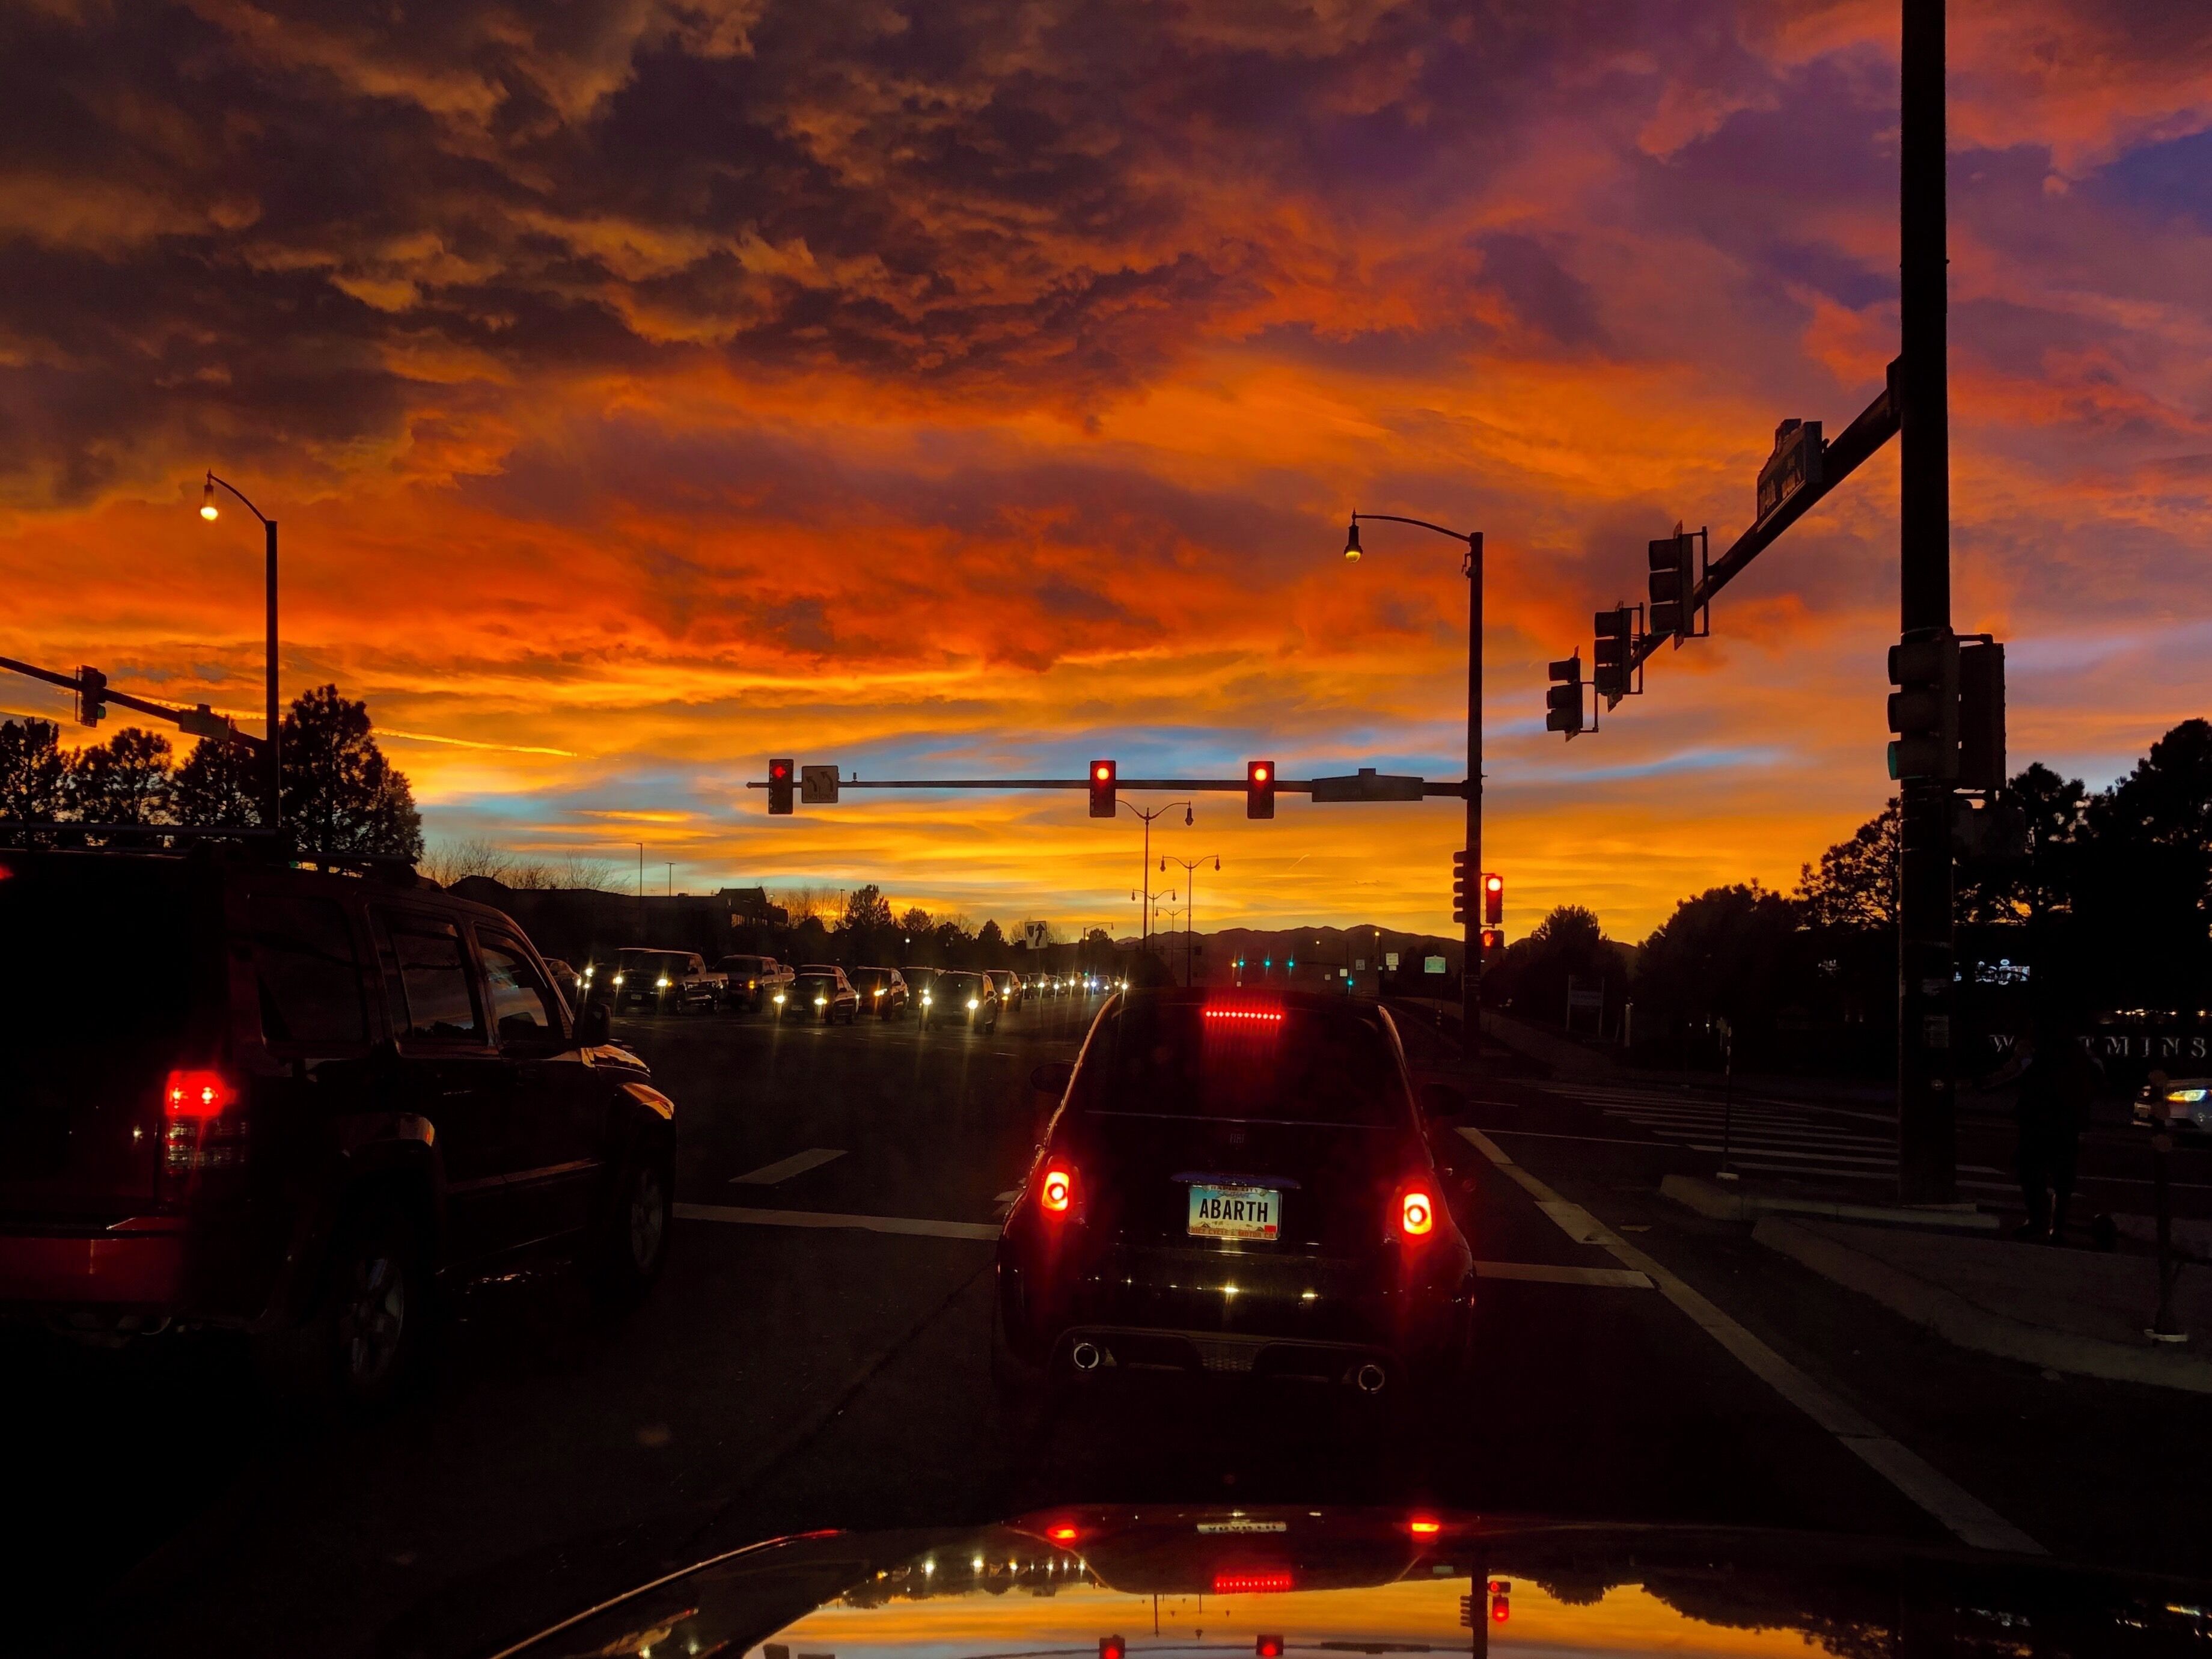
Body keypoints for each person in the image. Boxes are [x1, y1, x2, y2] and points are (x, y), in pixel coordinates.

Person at [2012, 1025, 2097, 1241]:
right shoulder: (2076, 1053)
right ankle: (2054, 1226)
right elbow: (2095, 1080)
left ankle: (2039, 1221)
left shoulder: (2036, 1054)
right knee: (2060, 1177)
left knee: (2033, 1174)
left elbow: (2019, 1077)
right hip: (2065, 1122)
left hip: (2039, 1121)